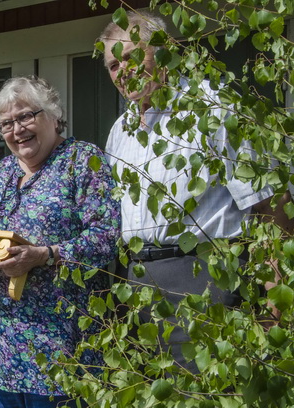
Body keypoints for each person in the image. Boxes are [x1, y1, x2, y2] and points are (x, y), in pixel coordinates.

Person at [99, 11, 293, 369]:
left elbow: (270, 202)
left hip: (205, 278)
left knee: (210, 389)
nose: (122, 70)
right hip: (138, 286)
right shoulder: (119, 130)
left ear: (164, 49)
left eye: (131, 56)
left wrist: (276, 299)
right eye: (113, 65)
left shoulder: (214, 108)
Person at [0, 76, 121, 408]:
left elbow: (107, 236)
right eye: (6, 123)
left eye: (26, 116)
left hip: (58, 346)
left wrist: (46, 255)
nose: (17, 129)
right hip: (2, 347)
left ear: (53, 115)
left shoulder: (82, 160)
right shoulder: (4, 171)